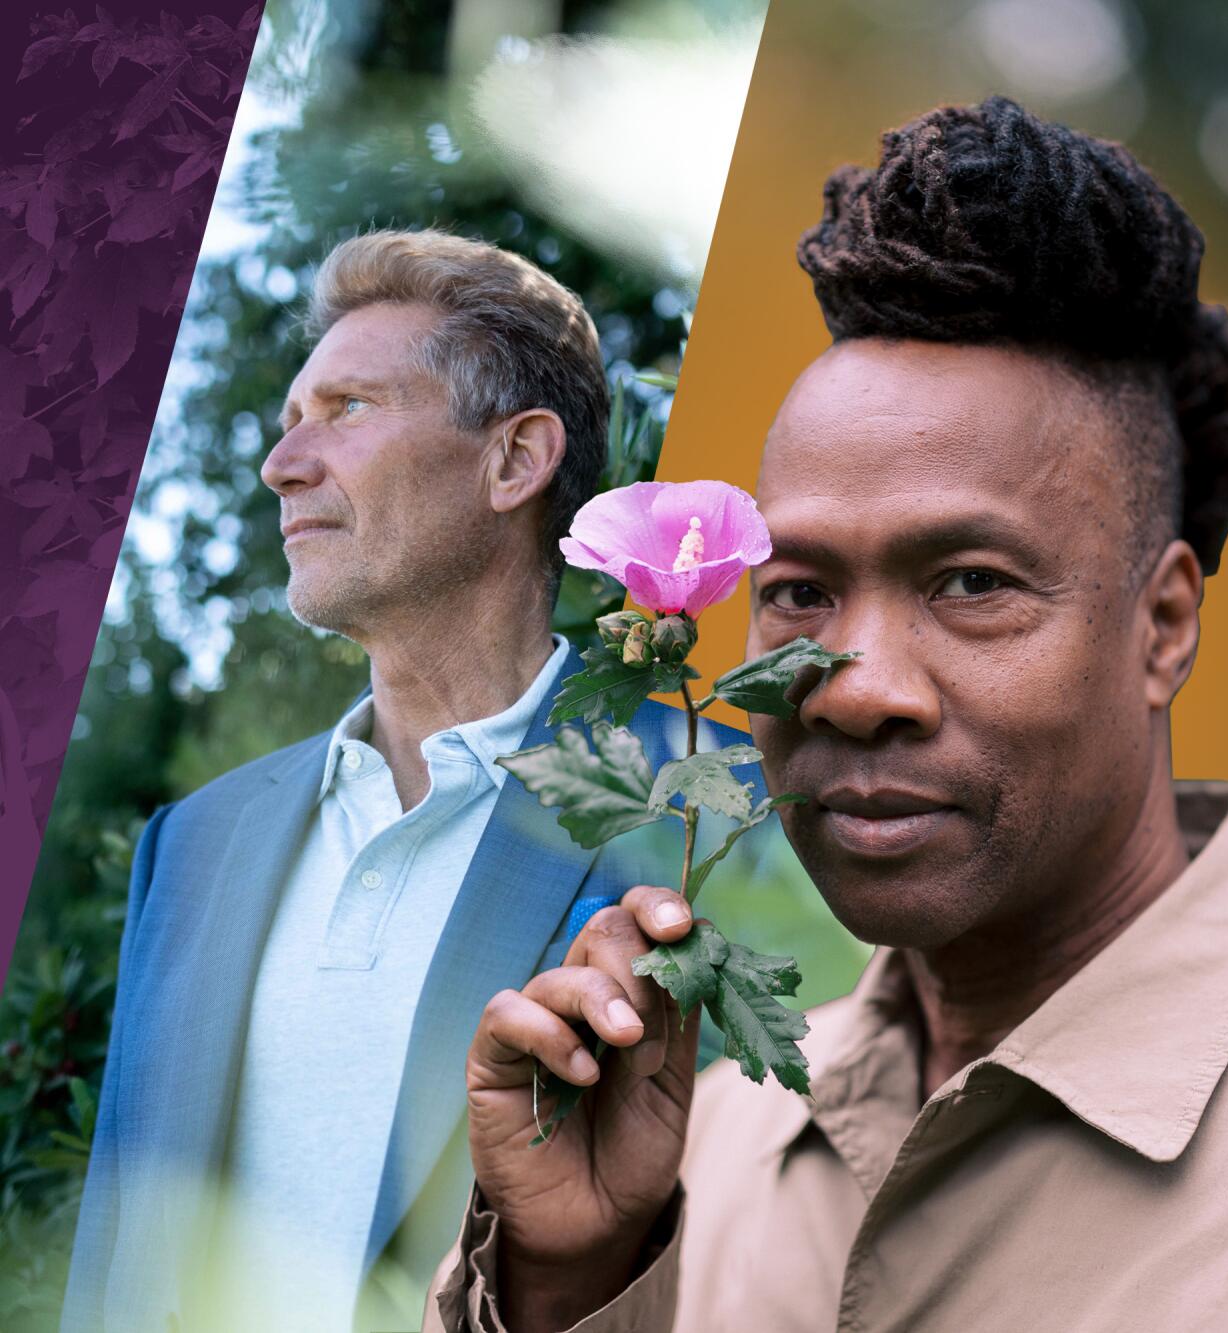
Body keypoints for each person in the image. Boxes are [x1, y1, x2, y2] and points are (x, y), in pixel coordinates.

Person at [424, 96, 1228, 1333]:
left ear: (1165, 627)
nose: (861, 687)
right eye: (801, 592)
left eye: (973, 584)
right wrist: (569, 1284)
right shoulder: (700, 1138)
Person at [62, 231, 751, 1333]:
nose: (282, 464)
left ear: (514, 461)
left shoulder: (711, 808)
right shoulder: (190, 844)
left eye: (344, 409)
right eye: (291, 420)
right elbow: (116, 1250)